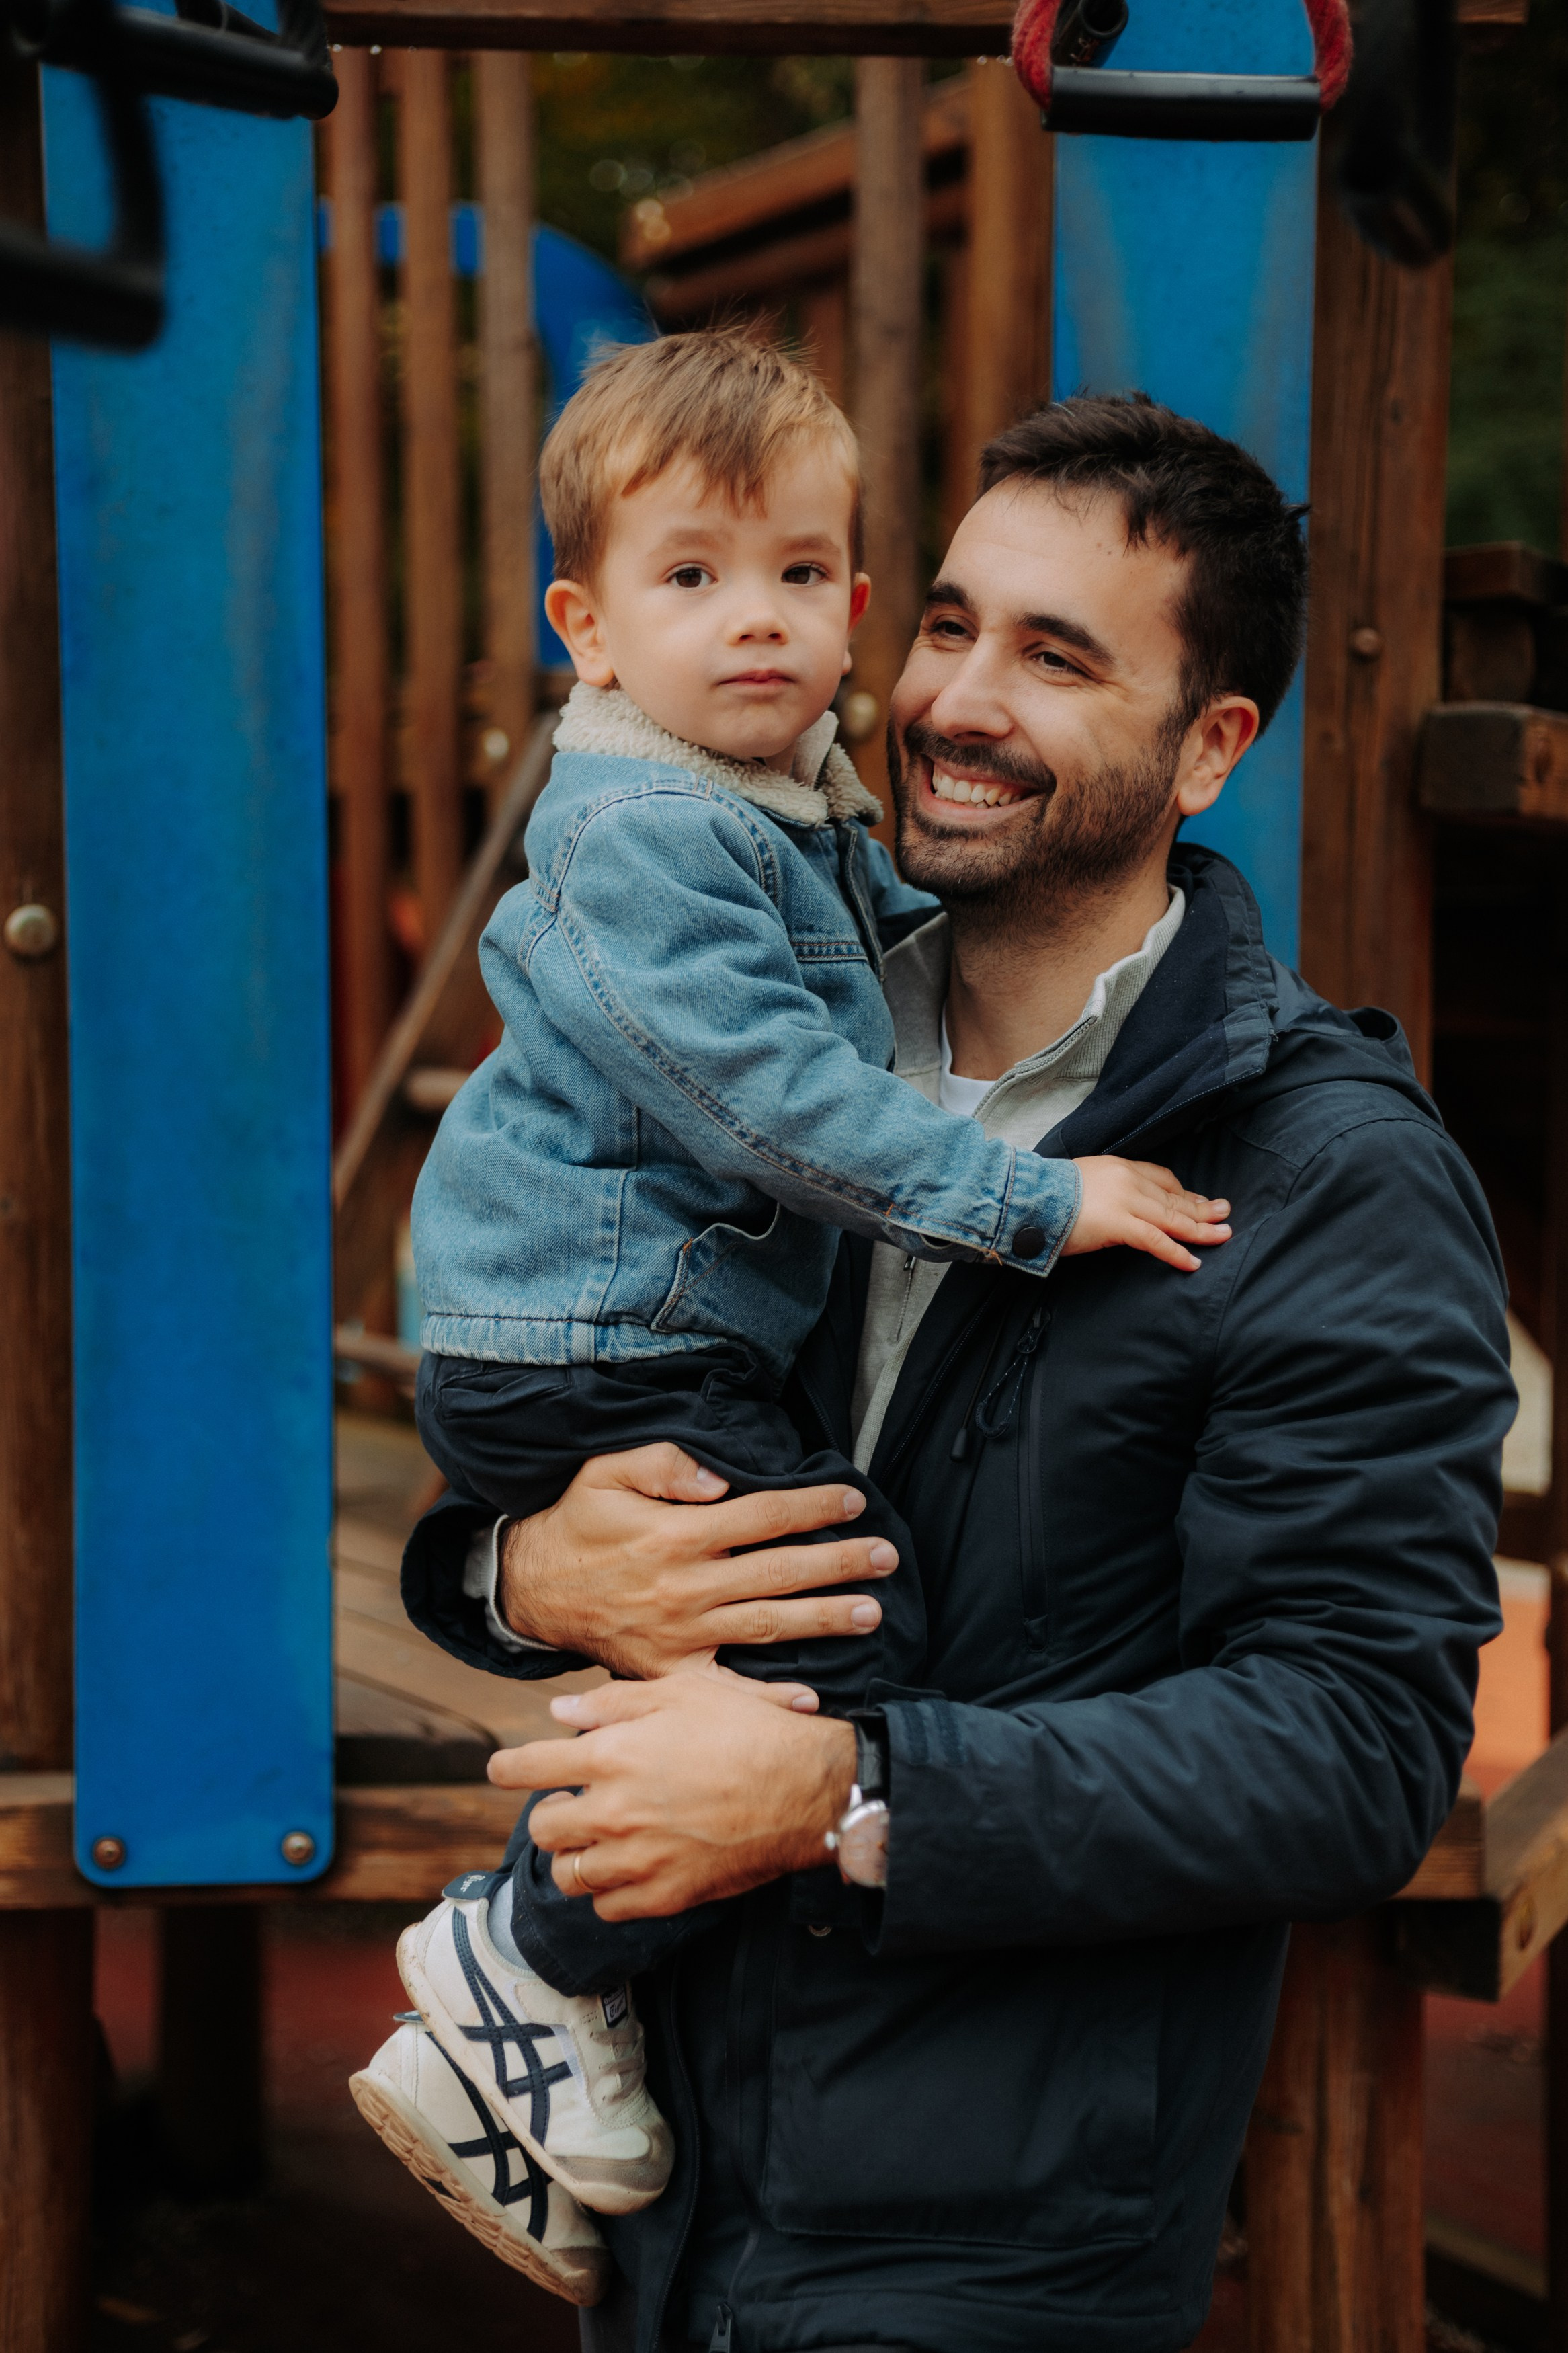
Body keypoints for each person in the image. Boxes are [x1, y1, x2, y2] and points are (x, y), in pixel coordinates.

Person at [391, 389, 1514, 2353]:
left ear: (1212, 747)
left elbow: (1353, 1749)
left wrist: (843, 1784)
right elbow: (558, 1406)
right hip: (667, 2208)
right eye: (950, 625)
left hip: (987, 2251)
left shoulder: (1328, 1169)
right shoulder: (759, 1024)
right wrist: (511, 1575)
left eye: (1057, 656)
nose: (955, 699)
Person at [349, 338, 1230, 2301]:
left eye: (806, 573)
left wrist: (510, 1569)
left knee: (795, 1630)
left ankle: (545, 1988)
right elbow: (772, 1095)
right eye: (692, 579)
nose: (759, 618)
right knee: (837, 1631)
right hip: (608, 1339)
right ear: (580, 624)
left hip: (629, 1335)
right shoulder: (651, 837)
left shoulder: (780, 801)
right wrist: (1032, 1196)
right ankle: (526, 1957)